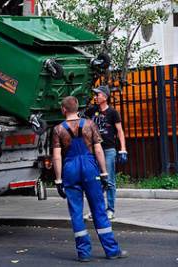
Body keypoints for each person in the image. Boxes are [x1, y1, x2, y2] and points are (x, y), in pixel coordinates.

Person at [52, 96, 128, 262]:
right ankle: (112, 250)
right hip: (89, 166)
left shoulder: (58, 130)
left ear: (63, 110)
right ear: (77, 108)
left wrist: (58, 180)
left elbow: (57, 157)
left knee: (76, 212)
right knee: (99, 209)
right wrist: (104, 173)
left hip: (70, 168)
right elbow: (99, 150)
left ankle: (84, 253)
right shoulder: (89, 124)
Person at [84, 85, 128, 219]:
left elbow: (120, 131)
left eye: (98, 95)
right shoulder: (92, 111)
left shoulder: (113, 113)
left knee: (108, 180)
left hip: (108, 150)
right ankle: (96, 210)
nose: (96, 97)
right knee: (95, 181)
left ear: (105, 96)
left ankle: (110, 210)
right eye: (95, 95)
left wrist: (123, 149)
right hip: (94, 150)